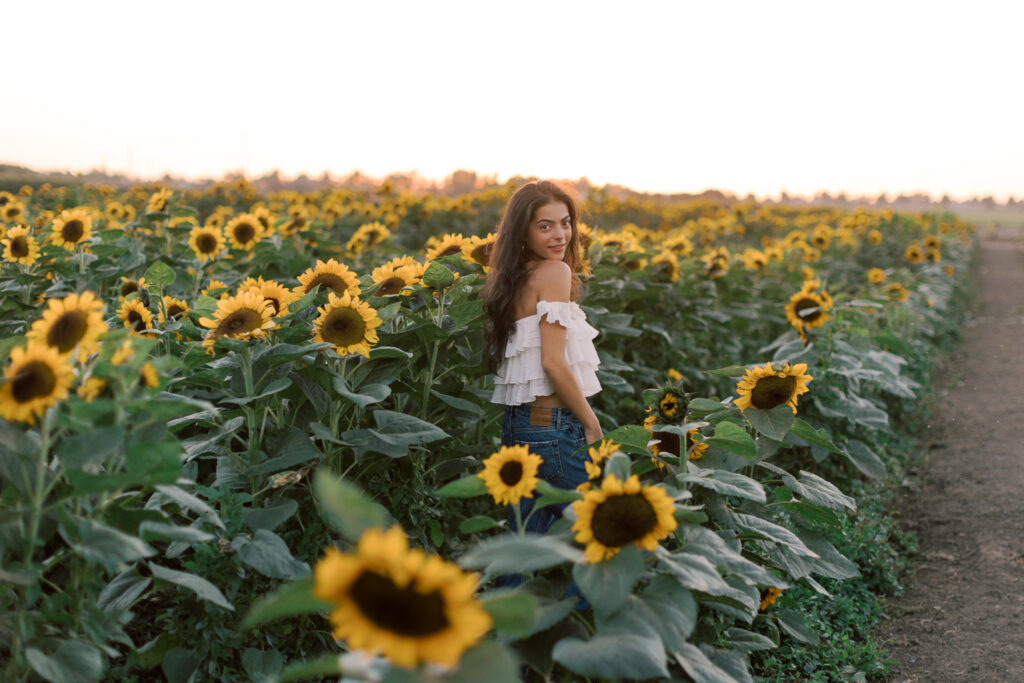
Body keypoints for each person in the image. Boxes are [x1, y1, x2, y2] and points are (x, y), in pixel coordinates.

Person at [484, 180, 603, 535]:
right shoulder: (556, 272)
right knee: (596, 537)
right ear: (524, 231)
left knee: (524, 549)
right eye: (545, 226)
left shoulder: (512, 276)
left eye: (565, 223)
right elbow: (553, 362)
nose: (560, 235)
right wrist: (592, 424)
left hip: (518, 426)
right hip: (553, 429)